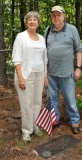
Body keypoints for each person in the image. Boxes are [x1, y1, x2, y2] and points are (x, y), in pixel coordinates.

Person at [44, 6, 82, 134]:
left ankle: (75, 121)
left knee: (70, 99)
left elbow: (78, 50)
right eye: (54, 15)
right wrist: (45, 73)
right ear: (51, 17)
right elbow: (44, 52)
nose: (56, 17)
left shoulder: (72, 29)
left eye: (58, 15)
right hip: (51, 74)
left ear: (63, 16)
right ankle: (54, 120)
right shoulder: (48, 30)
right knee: (51, 99)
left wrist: (78, 68)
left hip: (67, 73)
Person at [12, 11, 48, 142]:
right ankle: (26, 131)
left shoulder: (42, 38)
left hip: (40, 74)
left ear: (38, 23)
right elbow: (16, 59)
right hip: (25, 75)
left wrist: (45, 75)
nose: (32, 21)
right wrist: (21, 78)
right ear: (26, 22)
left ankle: (35, 126)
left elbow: (45, 59)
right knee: (26, 104)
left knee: (37, 103)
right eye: (30, 19)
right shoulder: (21, 37)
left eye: (35, 19)